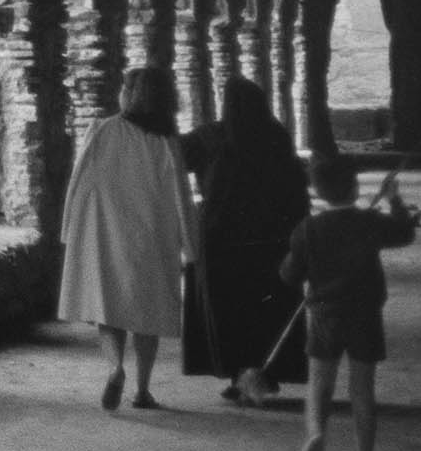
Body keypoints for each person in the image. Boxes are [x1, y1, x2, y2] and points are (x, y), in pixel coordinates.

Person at [55, 67, 199, 411]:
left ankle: (115, 367)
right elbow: (181, 195)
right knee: (146, 314)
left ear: (131, 94)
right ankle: (143, 390)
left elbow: (80, 182)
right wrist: (190, 245)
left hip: (108, 233)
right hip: (153, 236)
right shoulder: (166, 142)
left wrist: (70, 229)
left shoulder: (102, 130)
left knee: (110, 306)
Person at [278, 153, 416, 451]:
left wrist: (297, 262)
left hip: (325, 313)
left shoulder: (307, 229)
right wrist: (394, 198)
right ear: (355, 189)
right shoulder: (369, 223)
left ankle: (316, 434)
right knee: (362, 390)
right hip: (365, 314)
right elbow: (404, 233)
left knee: (319, 386)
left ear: (318, 191)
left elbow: (289, 275)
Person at [179, 78, 312, 402]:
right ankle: (264, 371)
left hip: (220, 239)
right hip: (268, 240)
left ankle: (239, 371)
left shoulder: (211, 136)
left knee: (228, 310)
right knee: (264, 308)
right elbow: (294, 188)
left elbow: (175, 156)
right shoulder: (275, 135)